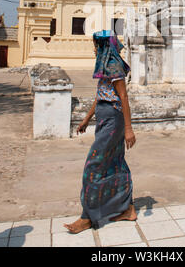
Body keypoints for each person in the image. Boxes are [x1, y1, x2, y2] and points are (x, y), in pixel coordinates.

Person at [64, 30, 137, 233]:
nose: (94, 48)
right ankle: (128, 208)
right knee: (116, 163)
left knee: (93, 165)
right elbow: (100, 95)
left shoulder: (113, 65)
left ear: (105, 45)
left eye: (97, 44)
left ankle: (87, 216)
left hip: (114, 119)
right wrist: (86, 119)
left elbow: (123, 97)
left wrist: (129, 129)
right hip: (105, 117)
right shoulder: (105, 65)